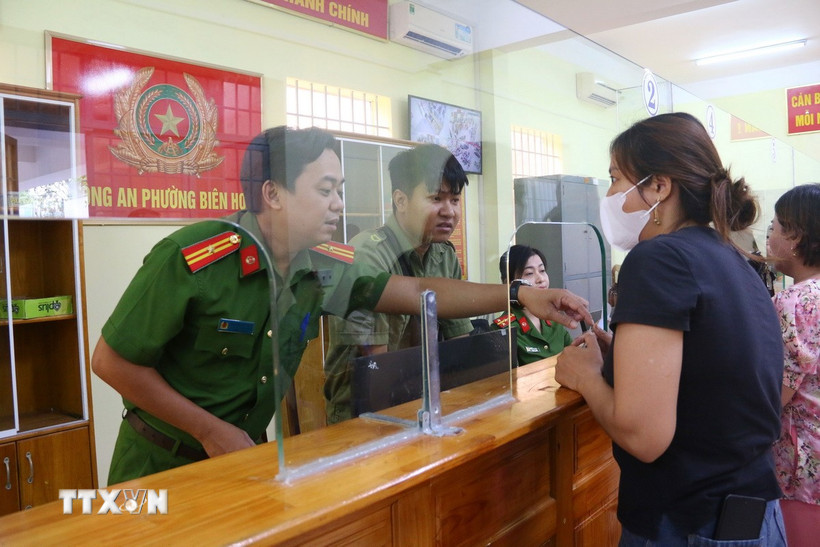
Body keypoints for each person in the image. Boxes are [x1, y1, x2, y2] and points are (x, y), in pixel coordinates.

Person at [92, 125, 592, 483]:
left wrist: (521, 293)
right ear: (274, 194)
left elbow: (419, 294)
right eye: (325, 190)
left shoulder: (323, 263)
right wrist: (210, 430)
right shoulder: (195, 257)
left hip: (241, 458)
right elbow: (110, 361)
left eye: (340, 191)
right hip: (159, 464)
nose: (338, 204)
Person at [555, 112, 786, 545]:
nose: (609, 195)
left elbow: (644, 436)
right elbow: (712, 375)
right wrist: (621, 352)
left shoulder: (658, 259)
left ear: (660, 186)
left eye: (616, 179)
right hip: (753, 517)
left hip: (689, 524)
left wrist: (586, 377)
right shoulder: (729, 256)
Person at [323, 144, 474, 424]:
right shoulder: (368, 255)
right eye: (436, 198)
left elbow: (460, 346)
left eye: (455, 199)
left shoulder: (444, 256)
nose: (449, 211)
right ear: (400, 200)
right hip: (365, 414)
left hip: (426, 404)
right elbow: (378, 367)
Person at [767, 183, 820, 546]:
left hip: (801, 472)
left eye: (774, 226)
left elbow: (774, 396)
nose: (769, 235)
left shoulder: (793, 303)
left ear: (796, 236)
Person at [491, 245, 571, 365]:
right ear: (508, 283)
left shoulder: (554, 318)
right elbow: (507, 381)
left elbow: (573, 355)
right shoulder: (504, 330)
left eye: (542, 270)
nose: (540, 279)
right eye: (529, 273)